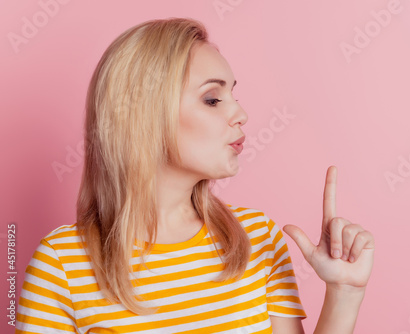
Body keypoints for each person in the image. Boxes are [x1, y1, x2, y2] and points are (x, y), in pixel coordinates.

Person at [15, 17, 375, 333]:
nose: (241, 114)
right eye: (212, 99)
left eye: (233, 94)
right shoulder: (60, 266)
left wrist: (345, 293)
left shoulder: (258, 239)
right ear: (143, 115)